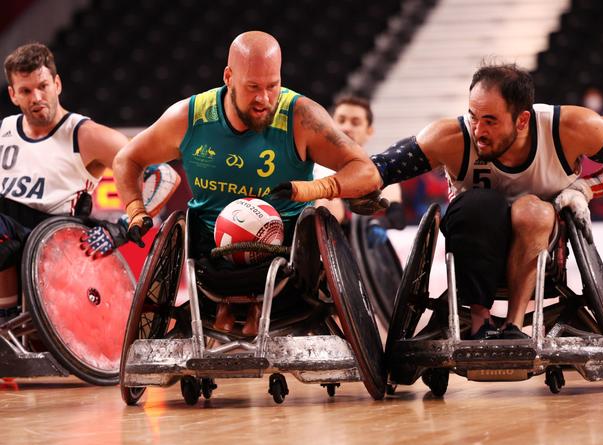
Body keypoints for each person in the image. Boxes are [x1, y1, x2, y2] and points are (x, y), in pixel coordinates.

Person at [112, 31, 382, 336]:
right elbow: (126, 159)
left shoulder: (301, 116)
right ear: (228, 77)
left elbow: (367, 172)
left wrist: (310, 189)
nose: (264, 99)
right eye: (253, 87)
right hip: (208, 255)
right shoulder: (190, 117)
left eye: (272, 86)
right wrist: (136, 210)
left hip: (288, 255)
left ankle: (249, 308)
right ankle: (228, 307)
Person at [366, 62, 603, 340]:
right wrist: (368, 190)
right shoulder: (451, 136)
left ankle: (513, 325)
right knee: (482, 203)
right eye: (474, 116)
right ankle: (480, 320)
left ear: (522, 120)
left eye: (490, 120)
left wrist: (585, 188)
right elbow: (386, 166)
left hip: (543, 240)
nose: (478, 130)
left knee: (530, 209)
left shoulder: (568, 127)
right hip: (472, 237)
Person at [0, 43, 179, 324]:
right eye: (25, 90)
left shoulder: (85, 135)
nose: (36, 97)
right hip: (9, 228)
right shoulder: (5, 130)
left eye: (43, 86)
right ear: (12, 95)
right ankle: (8, 325)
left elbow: (164, 176)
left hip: (51, 237)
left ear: (57, 84)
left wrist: (123, 226)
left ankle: (6, 322)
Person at [314, 95, 406, 246]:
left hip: (361, 254)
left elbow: (397, 217)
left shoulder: (379, 171)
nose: (346, 127)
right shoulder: (312, 166)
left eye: (355, 122)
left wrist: (380, 223)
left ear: (369, 131)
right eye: (341, 120)